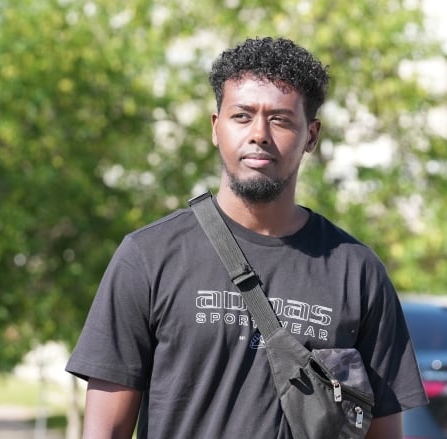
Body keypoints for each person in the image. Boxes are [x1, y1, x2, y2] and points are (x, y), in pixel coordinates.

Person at [66, 36, 427, 438]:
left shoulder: (357, 272)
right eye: (242, 116)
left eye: (280, 119)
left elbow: (384, 433)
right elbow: (104, 430)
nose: (259, 133)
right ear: (215, 127)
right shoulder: (148, 257)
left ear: (311, 136)